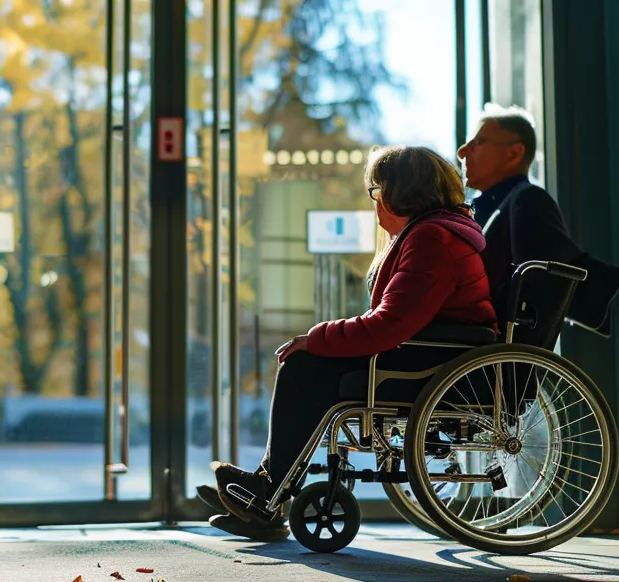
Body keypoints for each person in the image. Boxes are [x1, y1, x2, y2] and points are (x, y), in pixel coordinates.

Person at [198, 146, 496, 540]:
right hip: (433, 356)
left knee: (303, 367)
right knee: (311, 365)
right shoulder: (435, 234)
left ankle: (268, 490)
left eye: (377, 190)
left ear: (398, 194)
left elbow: (389, 324)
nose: (375, 202)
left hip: (432, 365)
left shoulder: (431, 240)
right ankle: (269, 491)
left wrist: (316, 338)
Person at [455, 104, 585, 311]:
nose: (461, 152)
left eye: (477, 142)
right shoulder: (494, 206)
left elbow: (533, 293)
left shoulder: (527, 201)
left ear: (514, 154)